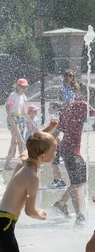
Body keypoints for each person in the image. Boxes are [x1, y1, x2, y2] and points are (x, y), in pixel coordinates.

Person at [52, 84, 94, 226]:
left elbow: (57, 132)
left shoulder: (66, 109)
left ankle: (62, 202)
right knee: (77, 182)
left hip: (68, 150)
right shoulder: (83, 105)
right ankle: (79, 215)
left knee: (82, 179)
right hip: (71, 151)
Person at [3, 79, 29, 170]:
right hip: (13, 118)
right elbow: (7, 107)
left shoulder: (22, 96)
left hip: (19, 118)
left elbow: (23, 111)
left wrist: (31, 122)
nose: (23, 88)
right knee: (21, 141)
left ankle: (7, 164)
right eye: (22, 86)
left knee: (14, 142)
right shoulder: (13, 95)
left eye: (25, 87)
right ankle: (23, 164)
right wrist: (11, 120)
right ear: (18, 86)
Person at [48, 102, 66, 188]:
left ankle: (61, 181)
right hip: (56, 142)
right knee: (54, 163)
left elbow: (57, 130)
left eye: (50, 107)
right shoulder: (55, 116)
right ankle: (56, 180)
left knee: (55, 163)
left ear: (55, 109)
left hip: (56, 142)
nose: (48, 109)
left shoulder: (55, 117)